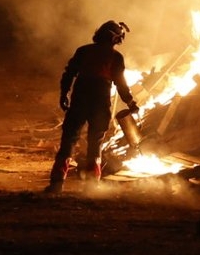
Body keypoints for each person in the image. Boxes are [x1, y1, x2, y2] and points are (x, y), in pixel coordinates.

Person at [46, 20, 138, 193]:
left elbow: (69, 73)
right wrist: (131, 103)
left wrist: (64, 94)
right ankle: (91, 187)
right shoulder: (116, 57)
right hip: (100, 103)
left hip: (79, 99)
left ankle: (56, 184)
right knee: (95, 144)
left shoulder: (83, 51)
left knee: (69, 140)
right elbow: (120, 84)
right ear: (115, 39)